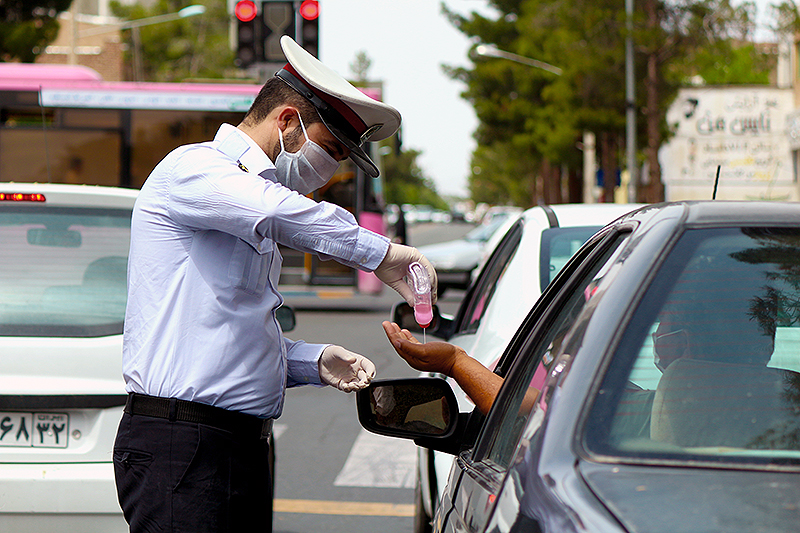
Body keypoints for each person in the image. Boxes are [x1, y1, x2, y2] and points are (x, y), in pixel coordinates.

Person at [113, 36, 437, 533]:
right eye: (329, 151)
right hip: (183, 444)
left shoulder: (251, 198)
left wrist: (310, 360)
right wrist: (382, 255)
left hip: (235, 445)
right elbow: (274, 211)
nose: (328, 173)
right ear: (287, 122)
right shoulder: (195, 169)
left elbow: (222, 333)